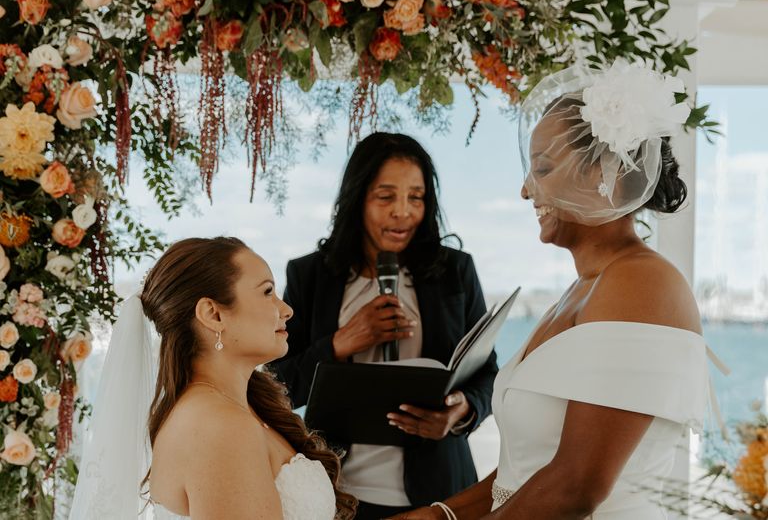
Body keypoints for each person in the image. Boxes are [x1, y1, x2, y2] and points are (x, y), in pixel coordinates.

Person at [388, 60, 710, 519]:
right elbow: (523, 474)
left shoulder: (642, 284)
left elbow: (575, 486)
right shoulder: (582, 289)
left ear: (607, 173)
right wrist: (439, 514)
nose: (525, 190)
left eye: (542, 166)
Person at [273, 132, 498, 519]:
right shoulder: (309, 275)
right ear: (358, 198)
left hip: (440, 494)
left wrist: (458, 411)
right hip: (339, 494)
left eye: (416, 197)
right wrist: (341, 342)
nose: (403, 212)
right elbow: (279, 388)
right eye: (386, 196)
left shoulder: (454, 272)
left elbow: (488, 374)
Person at [69, 237, 357, 520]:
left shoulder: (229, 409)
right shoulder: (220, 425)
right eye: (267, 292)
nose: (286, 310)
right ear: (213, 314)